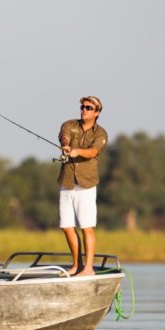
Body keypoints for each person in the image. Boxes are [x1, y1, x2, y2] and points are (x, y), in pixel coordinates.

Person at [58, 96, 108, 276]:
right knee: (66, 225)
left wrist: (77, 151)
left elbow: (94, 151)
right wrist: (66, 145)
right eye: (82, 106)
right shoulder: (69, 124)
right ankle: (76, 265)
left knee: (86, 226)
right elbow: (64, 136)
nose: (84, 110)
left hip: (86, 184)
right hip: (67, 182)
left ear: (97, 113)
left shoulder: (100, 133)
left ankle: (88, 269)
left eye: (88, 108)